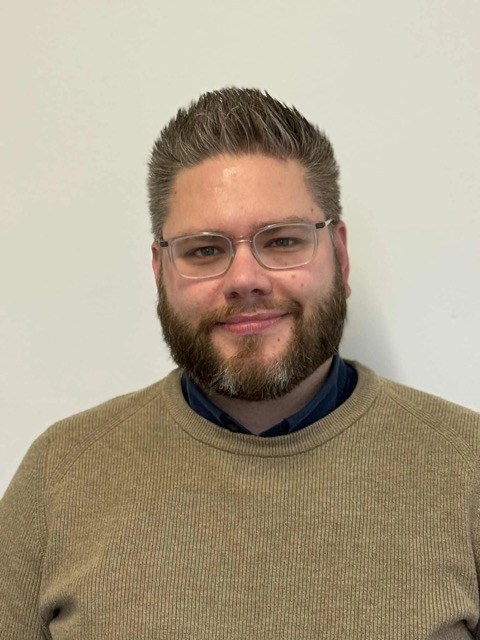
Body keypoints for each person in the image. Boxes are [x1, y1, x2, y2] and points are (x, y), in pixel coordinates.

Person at [0, 88, 479, 640]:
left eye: (282, 241)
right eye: (205, 250)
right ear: (160, 272)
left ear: (341, 257)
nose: (245, 279)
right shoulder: (59, 475)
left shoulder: (468, 467)